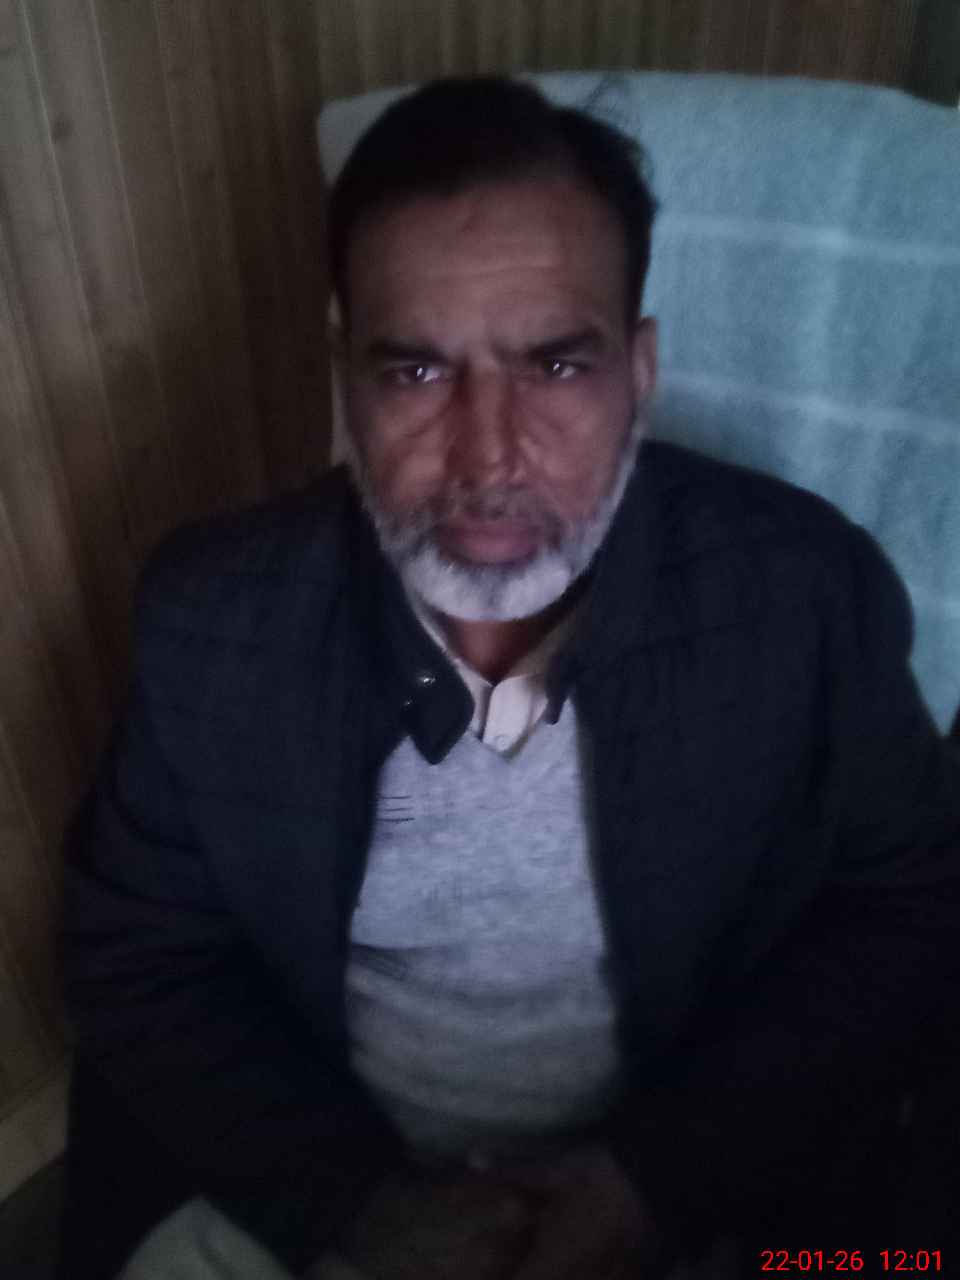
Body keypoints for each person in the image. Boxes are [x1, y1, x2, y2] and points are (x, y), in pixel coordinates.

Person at [61, 76, 960, 1280]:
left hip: (709, 1194)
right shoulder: (214, 622)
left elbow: (911, 903)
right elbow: (136, 951)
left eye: (556, 366)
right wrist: (355, 1202)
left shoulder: (805, 598)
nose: (487, 459)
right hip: (317, 1192)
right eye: (416, 373)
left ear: (640, 370)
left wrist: (658, 1177)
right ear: (344, 380)